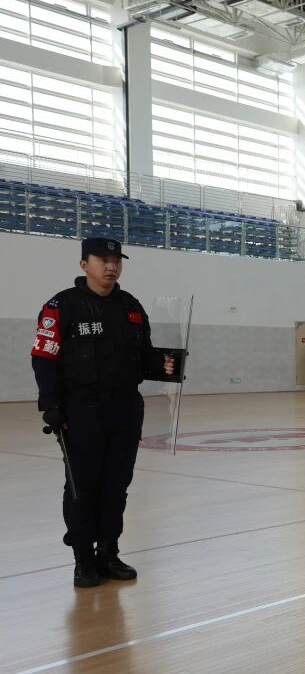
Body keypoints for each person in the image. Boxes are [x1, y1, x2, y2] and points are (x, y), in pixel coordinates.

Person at [30, 236, 177, 588]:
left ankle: (109, 552)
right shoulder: (62, 305)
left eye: (116, 261)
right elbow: (44, 357)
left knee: (117, 484)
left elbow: (144, 356)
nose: (111, 266)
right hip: (81, 409)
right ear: (85, 264)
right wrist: (51, 405)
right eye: (103, 260)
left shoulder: (131, 306)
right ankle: (83, 558)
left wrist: (166, 364)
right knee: (82, 486)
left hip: (125, 407)